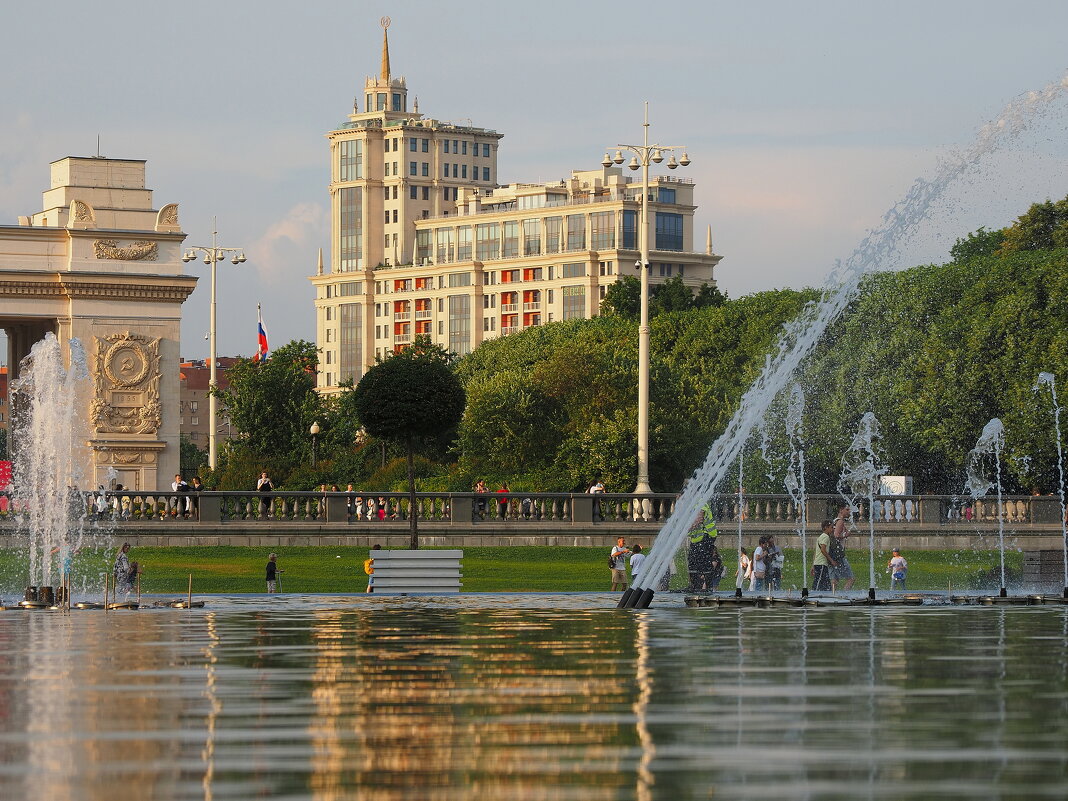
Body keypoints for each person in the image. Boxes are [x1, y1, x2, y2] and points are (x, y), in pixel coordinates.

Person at [831, 504, 855, 591]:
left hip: (833, 554)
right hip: (839, 554)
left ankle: (832, 596)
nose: (849, 512)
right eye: (847, 510)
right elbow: (836, 535)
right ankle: (845, 595)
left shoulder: (835, 521)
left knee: (835, 580)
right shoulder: (840, 521)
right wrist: (846, 534)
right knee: (851, 579)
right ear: (841, 510)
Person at [813, 520, 836, 592]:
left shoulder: (821, 536)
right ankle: (813, 596)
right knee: (818, 583)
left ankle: (827, 596)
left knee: (826, 584)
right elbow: (823, 550)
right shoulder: (826, 537)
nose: (833, 529)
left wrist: (812, 565)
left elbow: (816, 552)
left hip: (819, 564)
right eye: (831, 527)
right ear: (826, 527)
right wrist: (831, 560)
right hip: (821, 564)